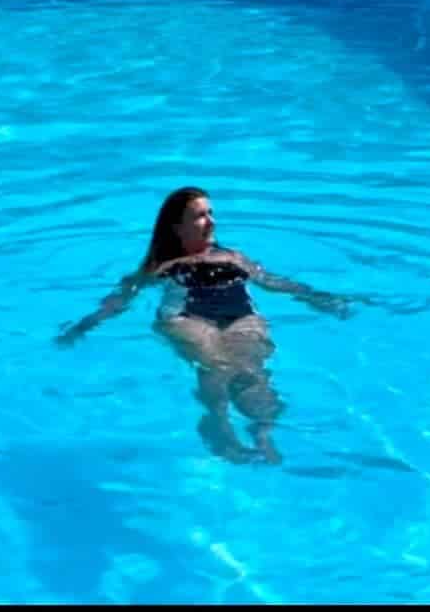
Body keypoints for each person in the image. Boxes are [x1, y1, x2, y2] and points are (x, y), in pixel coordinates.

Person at [55, 186, 352, 465]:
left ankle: (263, 431)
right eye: (200, 215)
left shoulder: (233, 256)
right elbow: (121, 298)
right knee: (217, 365)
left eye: (211, 213)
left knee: (252, 371)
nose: (210, 221)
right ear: (176, 227)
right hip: (187, 318)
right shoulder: (161, 265)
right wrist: (85, 325)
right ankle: (218, 423)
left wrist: (317, 298)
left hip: (240, 317)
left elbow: (272, 281)